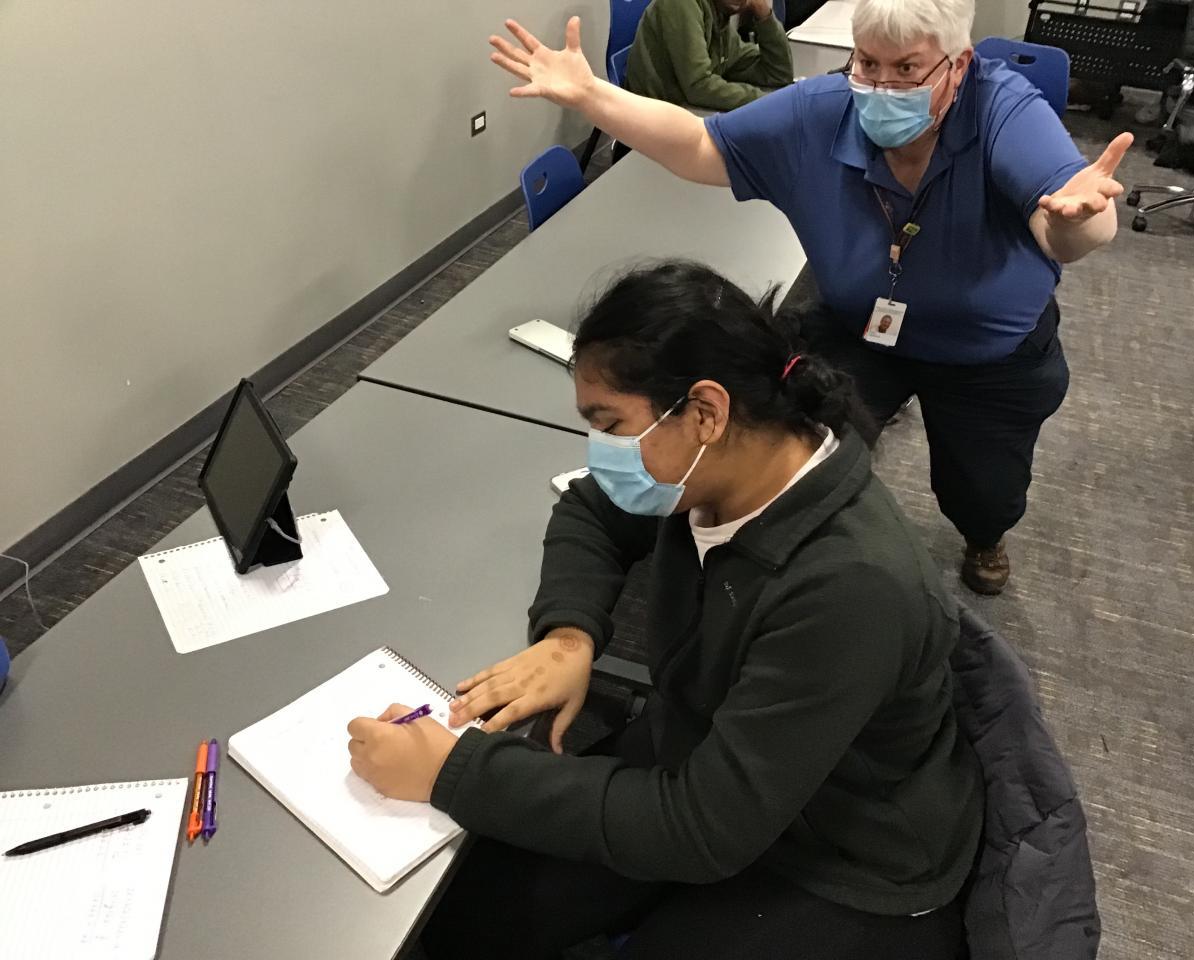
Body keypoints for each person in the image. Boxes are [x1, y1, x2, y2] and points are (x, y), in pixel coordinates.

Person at [347, 262, 983, 960]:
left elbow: (701, 830)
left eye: (610, 424)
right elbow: (590, 508)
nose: (601, 451)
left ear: (705, 412)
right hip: (706, 749)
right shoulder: (721, 469)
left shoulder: (849, 589)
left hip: (841, 852)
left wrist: (453, 772)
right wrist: (569, 637)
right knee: (463, 921)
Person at [486, 0, 1135, 595]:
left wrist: (1080, 220)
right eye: (868, 63)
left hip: (987, 353)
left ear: (958, 65)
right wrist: (594, 96)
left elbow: (1067, 225)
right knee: (794, 448)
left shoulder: (1003, 110)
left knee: (982, 490)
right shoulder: (821, 110)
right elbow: (701, 144)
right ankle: (782, 558)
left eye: (907, 69)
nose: (881, 86)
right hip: (861, 331)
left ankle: (985, 537)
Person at [626, 0, 794, 111]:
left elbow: (778, 74)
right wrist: (767, 103)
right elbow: (698, 86)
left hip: (689, 113)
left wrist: (764, 14)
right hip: (650, 129)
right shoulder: (681, 4)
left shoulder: (719, 13)